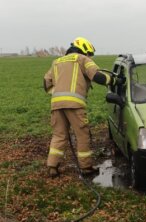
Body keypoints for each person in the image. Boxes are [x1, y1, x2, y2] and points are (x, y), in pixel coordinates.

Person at [43, 37, 124, 178]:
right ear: (85, 50)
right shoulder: (82, 59)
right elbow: (97, 76)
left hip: (56, 104)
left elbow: (46, 83)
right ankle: (86, 167)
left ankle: (52, 167)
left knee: (59, 135)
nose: (90, 57)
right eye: (89, 54)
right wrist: (115, 80)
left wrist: (58, 94)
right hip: (74, 105)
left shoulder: (56, 61)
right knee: (82, 135)